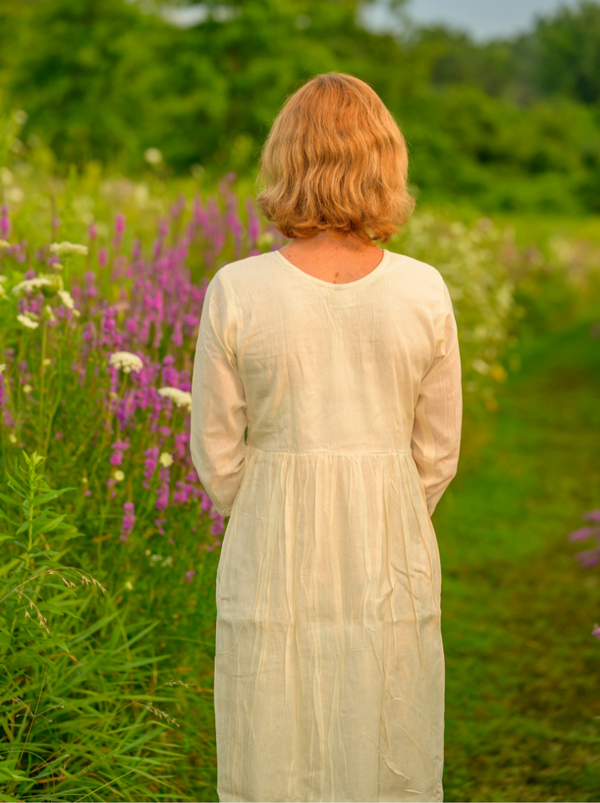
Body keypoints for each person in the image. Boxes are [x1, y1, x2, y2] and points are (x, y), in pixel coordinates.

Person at [190, 72, 462, 803]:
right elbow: (437, 453)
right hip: (390, 533)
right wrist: (387, 504)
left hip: (271, 531)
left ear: (287, 160)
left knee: (270, 721)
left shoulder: (238, 289)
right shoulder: (423, 290)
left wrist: (273, 506)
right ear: (386, 161)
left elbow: (215, 452)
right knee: (387, 715)